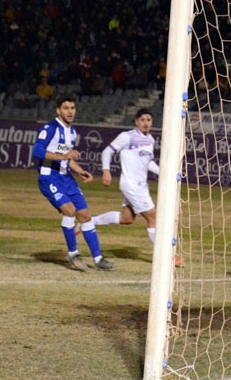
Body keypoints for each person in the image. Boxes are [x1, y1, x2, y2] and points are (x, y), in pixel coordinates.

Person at [33, 95, 114, 271]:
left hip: (66, 178)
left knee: (85, 215)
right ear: (58, 110)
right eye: (66, 108)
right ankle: (73, 254)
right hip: (49, 177)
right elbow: (37, 150)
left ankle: (98, 259)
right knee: (69, 210)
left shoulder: (72, 132)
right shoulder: (50, 128)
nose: (70, 111)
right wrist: (62, 156)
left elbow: (67, 158)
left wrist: (80, 171)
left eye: (72, 108)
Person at [91, 109, 181, 266]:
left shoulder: (151, 140)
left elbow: (148, 163)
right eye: (143, 120)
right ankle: (168, 257)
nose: (146, 122)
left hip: (140, 186)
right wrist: (106, 171)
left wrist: (165, 174)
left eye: (149, 119)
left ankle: (89, 222)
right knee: (153, 217)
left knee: (126, 218)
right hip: (132, 186)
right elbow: (107, 151)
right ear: (136, 122)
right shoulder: (127, 136)